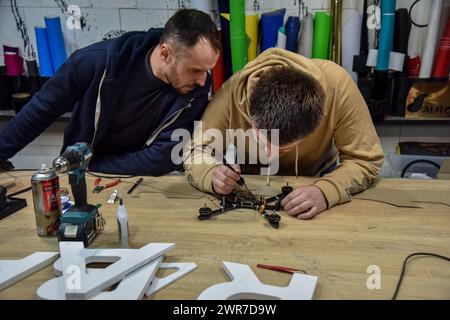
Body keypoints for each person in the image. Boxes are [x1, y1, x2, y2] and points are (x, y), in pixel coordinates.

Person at [0, 9, 220, 175]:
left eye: (207, 71)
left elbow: (161, 158)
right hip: (81, 176)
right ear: (165, 54)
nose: (203, 81)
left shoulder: (195, 91)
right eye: (195, 70)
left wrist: (90, 164)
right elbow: (41, 110)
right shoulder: (96, 63)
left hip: (140, 181)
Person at [185, 48, 384, 220]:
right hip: (252, 188)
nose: (271, 155)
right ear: (250, 115)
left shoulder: (338, 87)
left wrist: (326, 191)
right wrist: (211, 173)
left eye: (286, 148)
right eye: (262, 141)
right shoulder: (231, 93)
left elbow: (366, 160)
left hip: (317, 179)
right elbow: (196, 151)